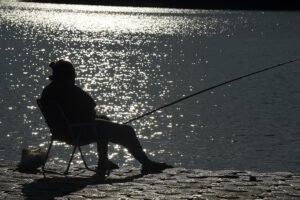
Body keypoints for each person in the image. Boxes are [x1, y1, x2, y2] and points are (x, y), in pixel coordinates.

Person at [40, 59, 172, 177]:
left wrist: (93, 117)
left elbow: (73, 113)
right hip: (78, 132)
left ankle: (103, 161)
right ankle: (147, 163)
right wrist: (91, 115)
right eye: (73, 73)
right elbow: (91, 105)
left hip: (63, 132)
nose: (75, 76)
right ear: (67, 75)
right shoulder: (69, 89)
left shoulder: (48, 91)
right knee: (127, 131)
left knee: (104, 119)